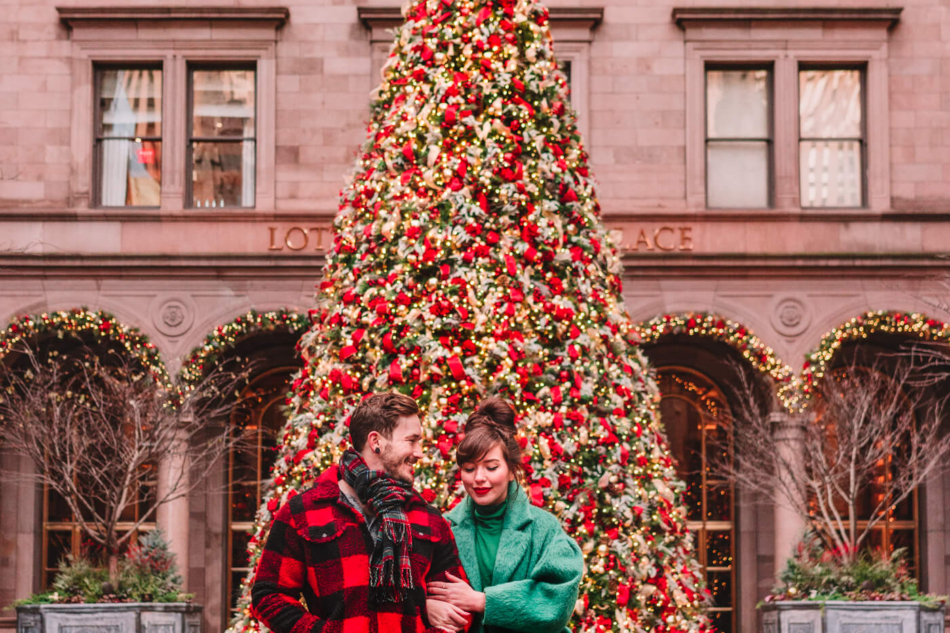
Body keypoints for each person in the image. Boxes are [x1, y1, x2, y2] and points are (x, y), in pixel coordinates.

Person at [251, 392, 470, 633]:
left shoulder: (429, 519)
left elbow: (458, 605)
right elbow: (269, 595)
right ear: (376, 441)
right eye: (411, 440)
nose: (419, 452)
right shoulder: (303, 513)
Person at [426, 397, 584, 633]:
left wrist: (483, 601)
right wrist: (427, 606)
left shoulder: (543, 528)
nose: (479, 477)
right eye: (469, 468)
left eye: (491, 467)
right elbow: (417, 587)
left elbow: (558, 601)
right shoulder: (444, 527)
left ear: (511, 471)